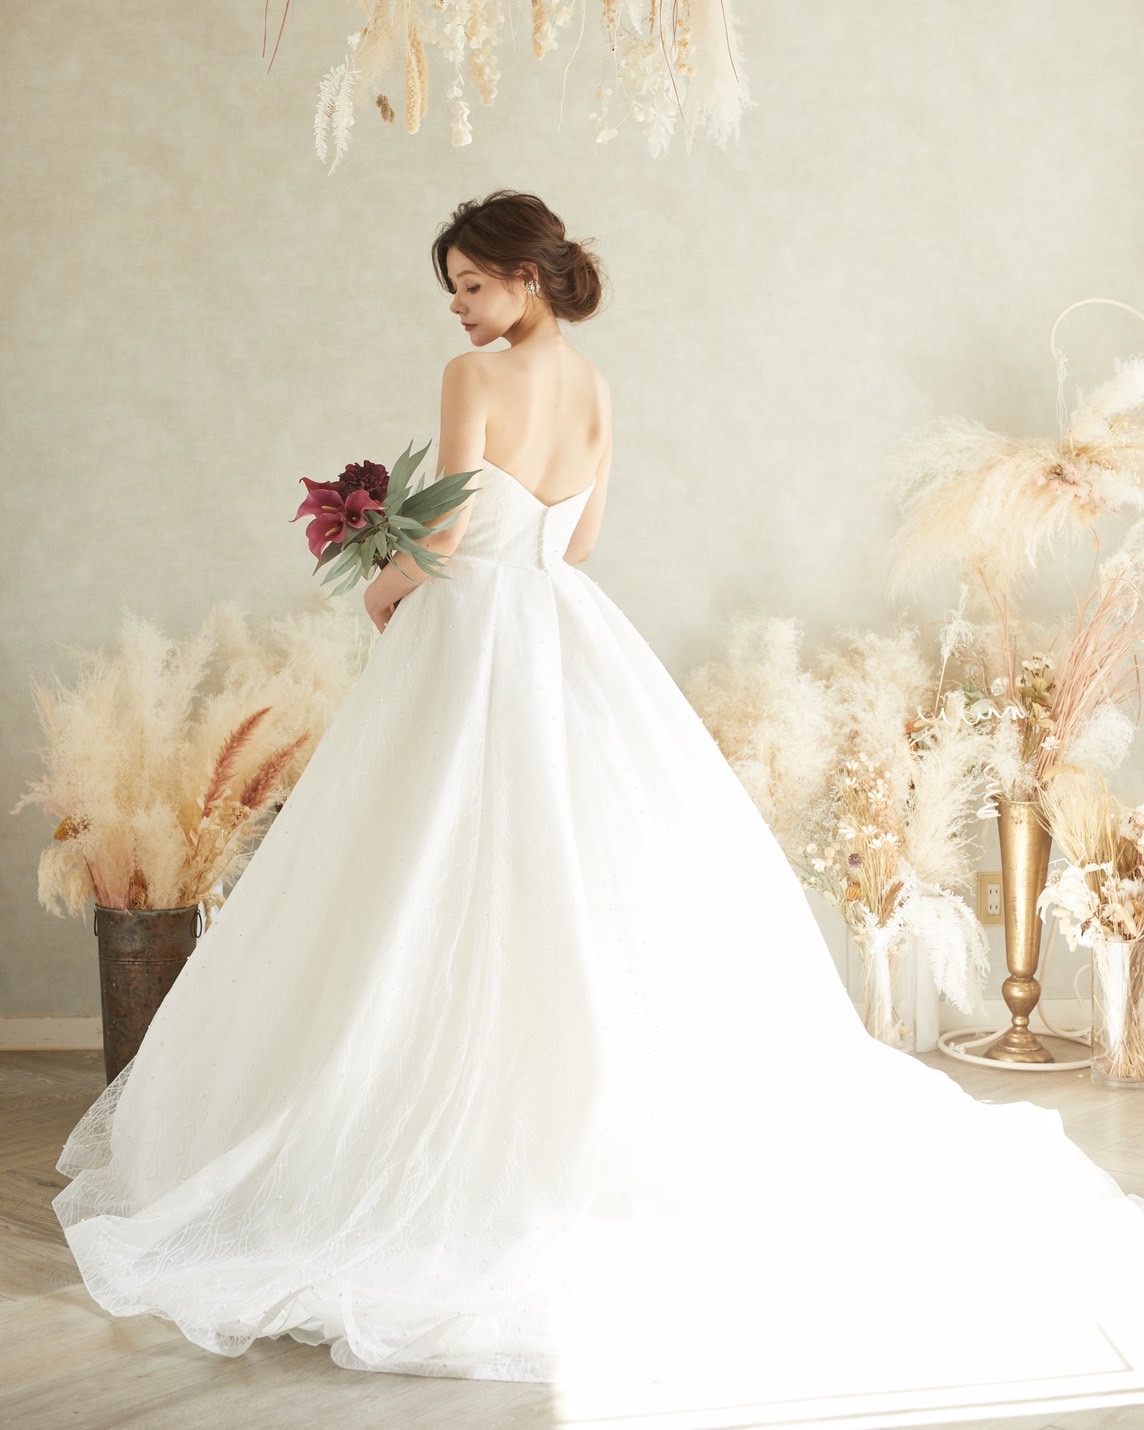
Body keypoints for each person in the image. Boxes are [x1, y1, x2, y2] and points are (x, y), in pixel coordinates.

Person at [53, 192, 1144, 1420]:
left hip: (471, 634)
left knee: (426, 866)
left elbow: (448, 529)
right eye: (452, 292)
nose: (459, 309)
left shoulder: (471, 379)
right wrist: (484, 547)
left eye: (472, 285)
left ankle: (424, 1130)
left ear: (525, 276)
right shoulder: (594, 386)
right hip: (564, 631)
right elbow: (574, 547)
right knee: (569, 870)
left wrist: (383, 585)